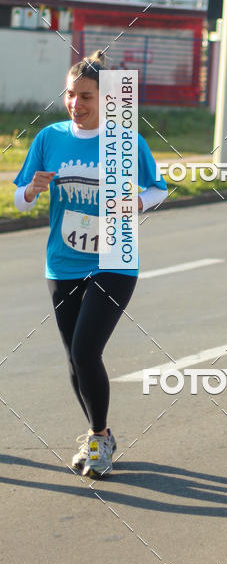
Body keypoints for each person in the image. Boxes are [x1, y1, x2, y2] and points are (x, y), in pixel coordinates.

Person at [13, 51, 168, 478]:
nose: (75, 104)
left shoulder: (125, 142)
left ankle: (98, 438)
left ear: (105, 100)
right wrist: (32, 190)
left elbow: (160, 190)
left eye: (86, 96)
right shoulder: (49, 139)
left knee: (86, 350)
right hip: (62, 262)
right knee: (73, 359)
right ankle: (100, 432)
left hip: (114, 259)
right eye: (70, 95)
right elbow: (17, 198)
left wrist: (137, 200)